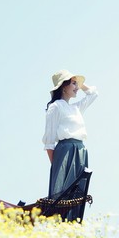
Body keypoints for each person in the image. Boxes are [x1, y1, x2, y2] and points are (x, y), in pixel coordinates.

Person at [42, 69, 98, 220]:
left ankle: (74, 226)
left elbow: (93, 94)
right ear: (63, 86)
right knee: (62, 193)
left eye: (77, 83)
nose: (77, 87)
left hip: (80, 151)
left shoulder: (76, 108)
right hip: (65, 152)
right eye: (73, 83)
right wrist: (58, 169)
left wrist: (80, 82)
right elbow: (49, 142)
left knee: (78, 193)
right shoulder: (55, 107)